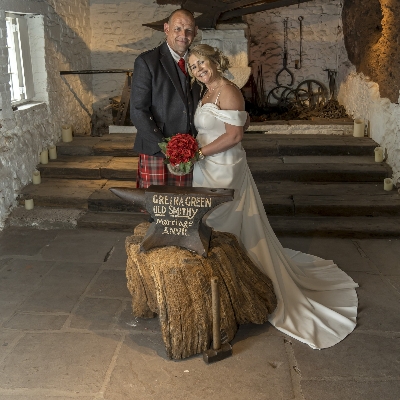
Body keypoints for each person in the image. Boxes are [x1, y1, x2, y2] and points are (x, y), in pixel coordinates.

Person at [188, 44, 359, 350]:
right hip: (205, 168)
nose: (198, 68)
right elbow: (235, 123)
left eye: (202, 62)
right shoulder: (206, 92)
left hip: (225, 168)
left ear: (214, 61)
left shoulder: (229, 91)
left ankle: (239, 282)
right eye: (192, 66)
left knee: (221, 221)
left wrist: (198, 153)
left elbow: (235, 135)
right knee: (212, 223)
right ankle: (226, 283)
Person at [130, 9, 201, 188]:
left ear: (195, 32)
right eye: (177, 28)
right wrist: (166, 147)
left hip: (188, 152)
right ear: (166, 28)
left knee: (185, 202)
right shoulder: (146, 61)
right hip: (155, 149)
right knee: (155, 203)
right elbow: (138, 111)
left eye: (188, 30)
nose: (183, 35)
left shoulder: (199, 63)